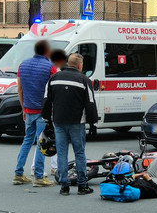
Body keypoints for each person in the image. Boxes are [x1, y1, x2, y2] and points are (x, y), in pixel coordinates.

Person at [42, 53, 99, 196]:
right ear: (79, 66)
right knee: (79, 153)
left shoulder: (54, 79)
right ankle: (82, 185)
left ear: (68, 63)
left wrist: (48, 120)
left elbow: (46, 100)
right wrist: (93, 124)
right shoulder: (84, 80)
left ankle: (64, 186)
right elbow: (90, 103)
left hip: (58, 122)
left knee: (61, 153)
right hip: (77, 122)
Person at [13, 40, 57, 186]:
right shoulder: (50, 68)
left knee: (27, 141)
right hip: (42, 112)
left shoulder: (22, 65)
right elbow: (52, 92)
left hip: (28, 110)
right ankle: (39, 177)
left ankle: (18, 174)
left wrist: (23, 108)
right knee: (41, 144)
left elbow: (19, 89)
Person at [31, 49, 67, 177]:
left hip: (37, 107)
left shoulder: (41, 68)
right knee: (51, 139)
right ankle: (48, 167)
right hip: (51, 110)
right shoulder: (52, 71)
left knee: (46, 138)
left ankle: (41, 166)